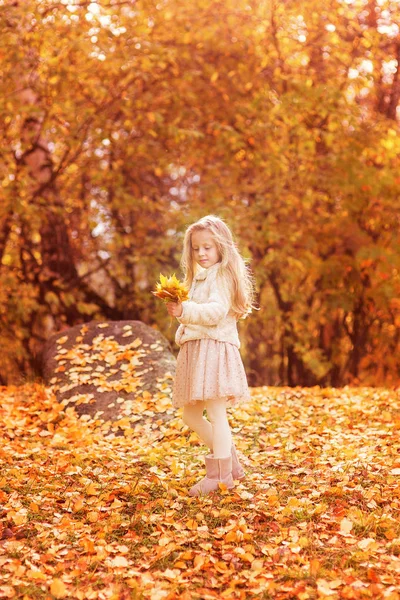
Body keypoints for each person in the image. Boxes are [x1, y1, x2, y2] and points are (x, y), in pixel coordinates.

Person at [167, 215, 256, 497]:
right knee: (191, 415)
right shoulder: (199, 278)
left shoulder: (222, 275)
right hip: (199, 349)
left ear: (221, 247)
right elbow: (195, 317)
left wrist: (185, 312)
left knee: (216, 413)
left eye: (208, 247)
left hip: (215, 349)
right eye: (196, 248)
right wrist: (183, 323)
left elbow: (216, 313)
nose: (202, 253)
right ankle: (230, 463)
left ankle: (220, 476)